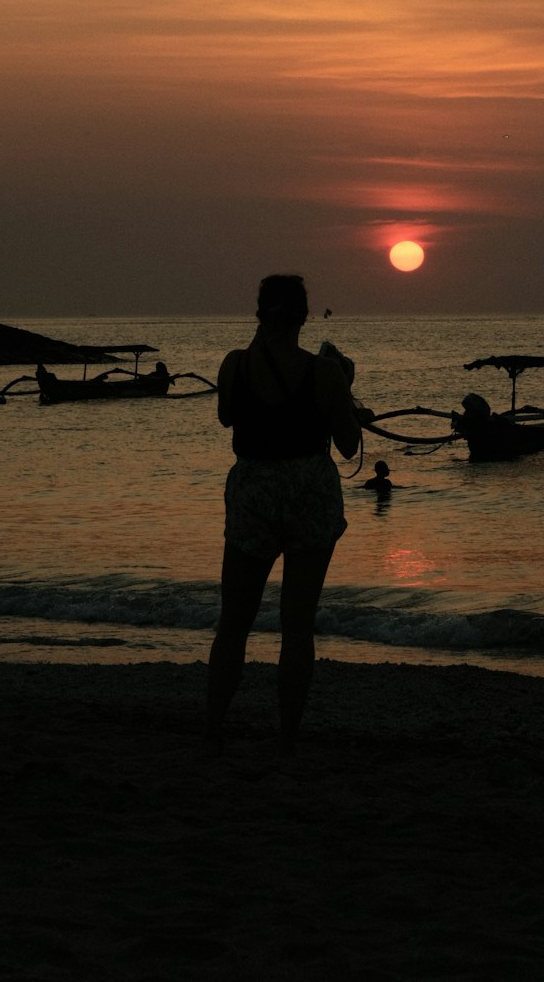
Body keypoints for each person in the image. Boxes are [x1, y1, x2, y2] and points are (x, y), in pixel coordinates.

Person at [205, 273, 361, 756]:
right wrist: (345, 387)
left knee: (235, 620)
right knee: (298, 624)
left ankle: (213, 731)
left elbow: (227, 416)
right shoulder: (326, 373)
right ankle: (287, 737)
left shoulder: (235, 366)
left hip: (256, 491)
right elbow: (349, 443)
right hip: (309, 493)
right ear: (305, 317)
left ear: (258, 314)